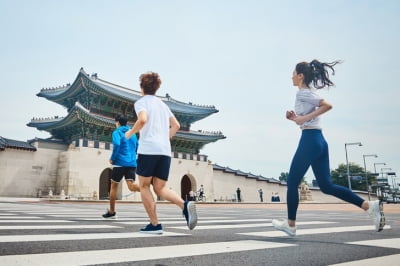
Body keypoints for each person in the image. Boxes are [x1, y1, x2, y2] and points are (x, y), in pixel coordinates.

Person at [271, 60, 385, 237]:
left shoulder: (304, 93)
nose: (291, 76)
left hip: (310, 140)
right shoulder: (307, 93)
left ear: (300, 76)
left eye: (293, 73)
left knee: (292, 182)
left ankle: (291, 225)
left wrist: (303, 118)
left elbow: (327, 105)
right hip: (318, 140)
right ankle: (369, 207)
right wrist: (295, 118)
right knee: (326, 186)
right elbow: (308, 120)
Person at [125, 71, 197, 234]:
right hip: (164, 151)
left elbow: (142, 120)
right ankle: (184, 205)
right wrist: (165, 139)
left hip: (148, 150)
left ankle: (155, 224)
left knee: (144, 186)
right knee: (160, 187)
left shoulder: (141, 102)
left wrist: (130, 133)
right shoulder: (163, 106)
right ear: (156, 88)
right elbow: (176, 125)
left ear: (141, 87)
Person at [102, 114, 140, 219]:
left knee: (114, 186)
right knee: (132, 186)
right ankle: (146, 188)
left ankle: (112, 212)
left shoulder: (117, 132)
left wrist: (113, 158)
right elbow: (137, 147)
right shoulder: (133, 133)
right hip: (132, 163)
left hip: (119, 163)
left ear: (117, 122)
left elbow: (117, 144)